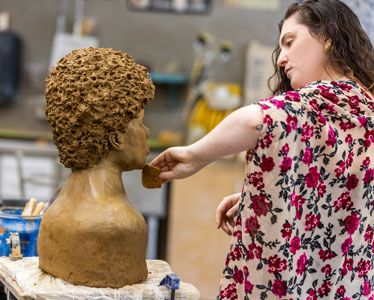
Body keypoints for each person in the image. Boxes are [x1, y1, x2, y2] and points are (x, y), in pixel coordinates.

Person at [151, 0, 374, 298]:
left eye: (290, 42)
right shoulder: (363, 107)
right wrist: (261, 192)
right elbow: (340, 187)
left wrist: (194, 156)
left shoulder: (314, 102)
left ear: (327, 37)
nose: (281, 59)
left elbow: (256, 120)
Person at [38, 47, 155, 287]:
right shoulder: (119, 224)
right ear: (117, 138)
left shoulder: (54, 215)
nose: (147, 132)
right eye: (141, 123)